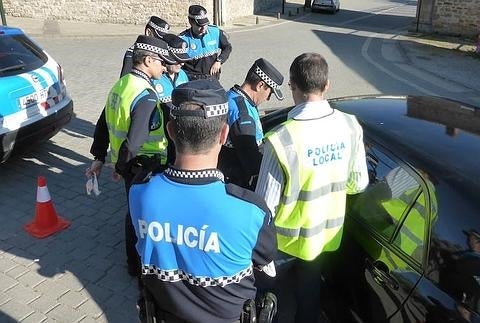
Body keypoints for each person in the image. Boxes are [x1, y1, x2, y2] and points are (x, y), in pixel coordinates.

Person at [129, 79, 277, 322]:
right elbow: (266, 256)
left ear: (170, 131)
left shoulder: (140, 193)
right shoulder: (250, 211)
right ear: (224, 133)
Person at [255, 52, 369, 323]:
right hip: (324, 239)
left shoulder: (282, 140)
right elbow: (358, 183)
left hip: (284, 245)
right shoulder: (350, 126)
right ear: (327, 85)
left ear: (292, 85)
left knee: (267, 302)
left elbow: (262, 207)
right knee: (309, 301)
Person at [86, 35, 171, 277]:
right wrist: (119, 166)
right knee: (144, 217)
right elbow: (134, 142)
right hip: (145, 166)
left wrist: (99, 157)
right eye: (160, 62)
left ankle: (132, 265)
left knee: (133, 213)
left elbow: (102, 124)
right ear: (147, 61)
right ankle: (143, 266)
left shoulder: (120, 85)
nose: (164, 67)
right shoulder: (145, 95)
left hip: (130, 167)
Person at [218, 58, 284, 189]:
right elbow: (252, 162)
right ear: (260, 85)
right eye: (269, 93)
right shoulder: (242, 114)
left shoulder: (233, 97)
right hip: (239, 184)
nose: (268, 98)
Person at [152, 33, 191, 165]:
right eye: (177, 59)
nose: (182, 63)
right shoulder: (154, 78)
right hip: (158, 143)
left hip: (178, 139)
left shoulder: (183, 75)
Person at [179, 4, 232, 80]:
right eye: (200, 25)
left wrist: (219, 61)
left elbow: (227, 47)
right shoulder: (182, 40)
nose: (203, 29)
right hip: (193, 80)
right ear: (190, 22)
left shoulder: (215, 32)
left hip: (212, 78)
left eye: (205, 24)